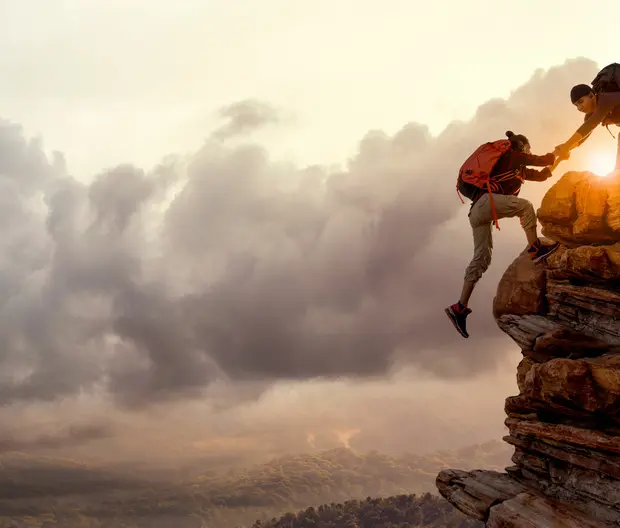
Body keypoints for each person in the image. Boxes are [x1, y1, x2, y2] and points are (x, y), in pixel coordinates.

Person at [445, 131, 560, 339]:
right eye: (528, 148)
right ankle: (536, 248)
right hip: (487, 203)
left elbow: (542, 174)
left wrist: (556, 160)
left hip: (476, 212)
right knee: (525, 207)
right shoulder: (512, 157)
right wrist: (557, 153)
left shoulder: (515, 169)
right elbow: (542, 160)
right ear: (522, 147)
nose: (529, 152)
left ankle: (460, 307)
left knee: (481, 259)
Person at [554, 64, 620, 171]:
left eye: (581, 102)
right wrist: (563, 150)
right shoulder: (591, 114)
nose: (580, 108)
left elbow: (589, 126)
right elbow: (581, 139)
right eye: (577, 105)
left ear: (591, 95)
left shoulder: (604, 99)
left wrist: (567, 146)